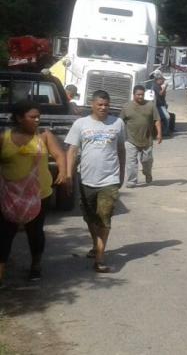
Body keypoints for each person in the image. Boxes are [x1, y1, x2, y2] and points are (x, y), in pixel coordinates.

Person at [0, 101, 69, 285]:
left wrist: (63, 172)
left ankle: (36, 265)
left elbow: (59, 155)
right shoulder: (4, 139)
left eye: (39, 116)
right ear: (19, 118)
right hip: (10, 196)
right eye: (33, 117)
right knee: (5, 234)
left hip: (39, 194)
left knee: (35, 232)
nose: (37, 120)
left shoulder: (44, 136)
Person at [65, 90, 126, 273]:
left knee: (104, 219)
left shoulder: (118, 123)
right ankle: (95, 244)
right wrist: (69, 175)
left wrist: (122, 173)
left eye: (106, 105)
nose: (103, 108)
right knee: (90, 217)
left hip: (110, 179)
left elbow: (121, 150)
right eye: (100, 104)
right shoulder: (80, 124)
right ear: (92, 104)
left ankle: (99, 258)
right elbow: (72, 152)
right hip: (86, 179)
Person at [119, 85, 162, 187]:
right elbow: (120, 122)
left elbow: (157, 120)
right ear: (133, 95)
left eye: (142, 95)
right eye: (138, 95)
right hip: (131, 139)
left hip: (147, 139)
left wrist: (159, 134)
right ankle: (131, 181)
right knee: (131, 162)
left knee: (147, 161)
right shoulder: (126, 107)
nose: (140, 97)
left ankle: (147, 174)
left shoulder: (150, 105)